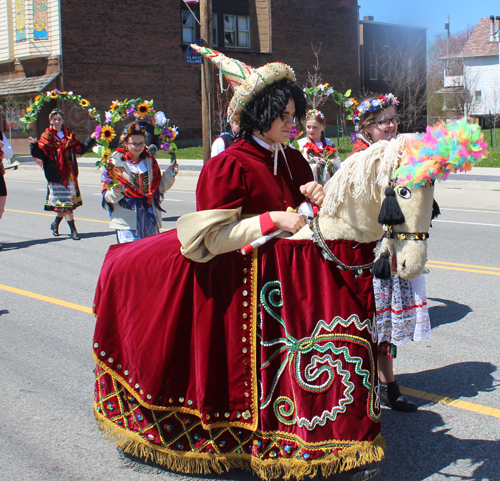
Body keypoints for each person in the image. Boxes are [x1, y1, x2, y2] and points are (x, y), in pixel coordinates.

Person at [92, 47, 382, 481]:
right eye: (283, 114)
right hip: (229, 279)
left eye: (293, 114)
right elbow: (210, 238)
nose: (292, 122)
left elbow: (301, 205)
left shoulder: (291, 156)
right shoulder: (228, 164)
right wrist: (272, 218)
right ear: (260, 114)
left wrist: (315, 198)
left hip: (275, 280)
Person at [350, 93, 432, 413]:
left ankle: (388, 386)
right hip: (367, 252)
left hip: (394, 250)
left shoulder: (402, 153)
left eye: (394, 119)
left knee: (385, 325)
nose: (391, 125)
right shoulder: (361, 158)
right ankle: (361, 385)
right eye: (383, 121)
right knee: (368, 320)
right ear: (368, 128)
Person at [101, 122, 178, 243]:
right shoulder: (114, 164)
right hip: (127, 219)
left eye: (141, 143)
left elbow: (159, 188)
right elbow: (107, 197)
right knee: (130, 257)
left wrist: (170, 174)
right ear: (125, 143)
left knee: (150, 255)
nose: (138, 147)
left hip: (149, 216)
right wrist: (116, 192)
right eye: (134, 144)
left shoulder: (150, 162)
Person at [28, 109, 96, 240]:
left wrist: (91, 139)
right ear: (50, 121)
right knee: (66, 203)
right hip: (55, 174)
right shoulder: (46, 136)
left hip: (69, 173)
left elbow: (80, 149)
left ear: (62, 120)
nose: (57, 121)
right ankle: (73, 231)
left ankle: (55, 224)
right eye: (54, 119)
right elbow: (39, 154)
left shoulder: (69, 135)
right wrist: (33, 145)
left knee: (64, 203)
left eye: (59, 119)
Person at [297, 109, 341, 185]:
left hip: (329, 180)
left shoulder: (329, 143)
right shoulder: (303, 144)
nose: (311, 130)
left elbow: (337, 162)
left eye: (315, 127)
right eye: (308, 127)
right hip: (311, 181)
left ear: (322, 127)